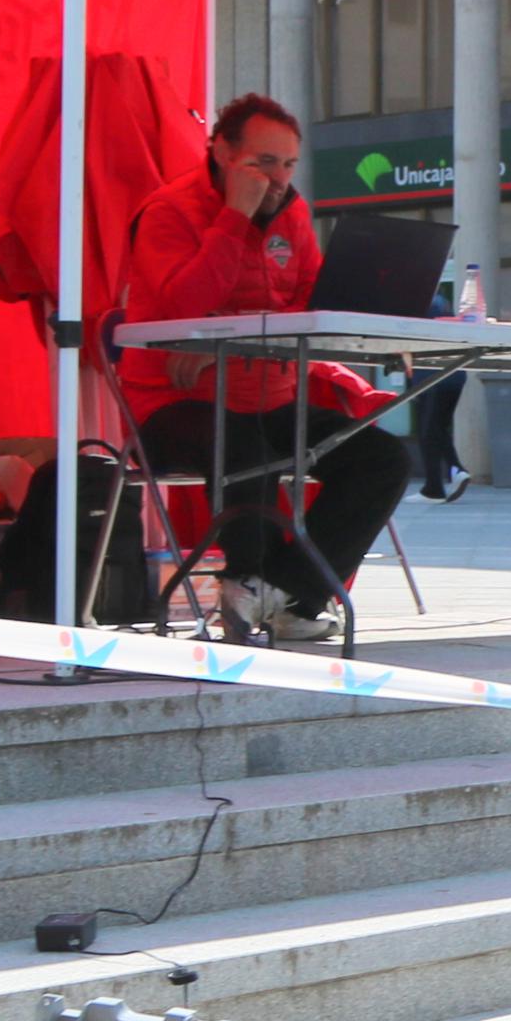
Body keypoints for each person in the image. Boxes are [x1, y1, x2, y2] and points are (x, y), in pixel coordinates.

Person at [114, 93, 402, 642]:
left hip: (271, 398)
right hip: (176, 407)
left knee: (382, 457)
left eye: (289, 164)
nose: (278, 178)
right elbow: (185, 307)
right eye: (264, 162)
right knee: (245, 446)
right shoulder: (167, 212)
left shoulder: (292, 212)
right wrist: (234, 218)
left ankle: (290, 595)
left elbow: (313, 304)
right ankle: (247, 581)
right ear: (222, 151)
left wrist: (231, 335)